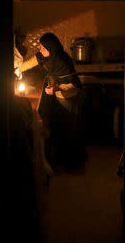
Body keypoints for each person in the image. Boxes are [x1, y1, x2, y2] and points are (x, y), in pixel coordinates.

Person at [20, 32, 87, 173]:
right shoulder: (47, 56)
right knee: (59, 128)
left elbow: (73, 88)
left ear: (51, 49)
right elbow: (29, 63)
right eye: (40, 47)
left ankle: (72, 165)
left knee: (68, 130)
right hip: (59, 94)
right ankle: (60, 161)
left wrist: (56, 88)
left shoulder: (62, 62)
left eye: (42, 48)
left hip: (70, 98)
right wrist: (16, 69)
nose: (40, 50)